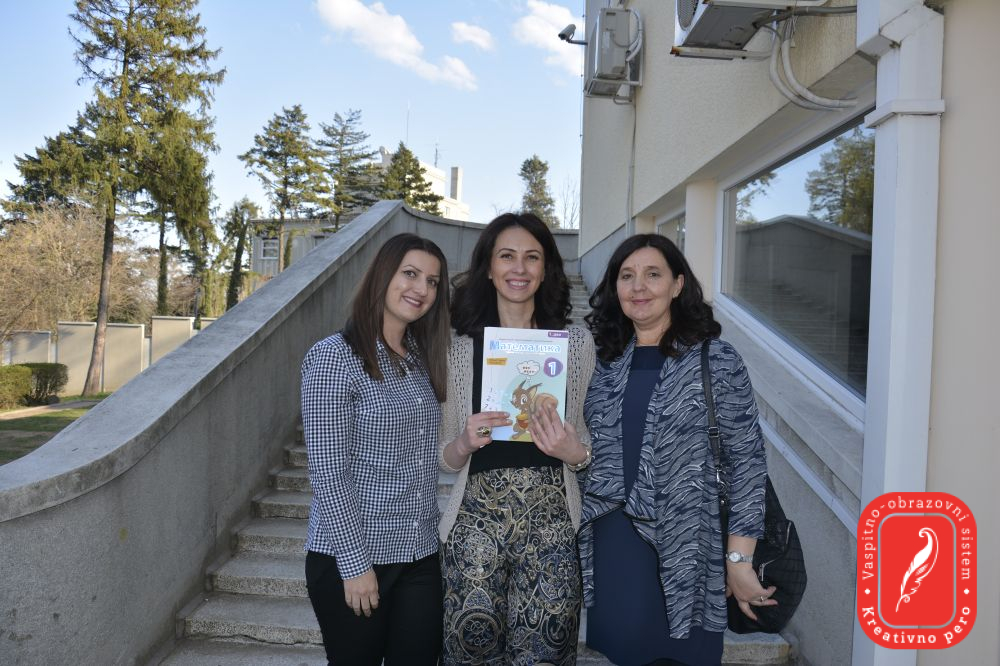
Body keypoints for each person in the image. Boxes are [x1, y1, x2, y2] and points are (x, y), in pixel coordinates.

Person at [577, 234, 774, 666]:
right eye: (627, 276)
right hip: (616, 540)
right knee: (626, 654)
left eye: (653, 274)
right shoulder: (603, 363)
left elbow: (748, 464)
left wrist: (739, 560)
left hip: (690, 544)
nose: (638, 286)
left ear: (677, 284)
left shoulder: (716, 359)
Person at [438, 212, 596, 666]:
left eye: (532, 257)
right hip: (475, 528)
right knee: (472, 649)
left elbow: (584, 444)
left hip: (552, 527)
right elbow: (446, 457)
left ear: (545, 270)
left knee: (545, 651)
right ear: (489, 267)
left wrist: (575, 454)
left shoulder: (575, 345)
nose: (519, 268)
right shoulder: (458, 350)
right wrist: (464, 442)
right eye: (507, 256)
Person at [301, 233, 450, 666]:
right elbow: (330, 473)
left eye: (432, 281)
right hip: (356, 555)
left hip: (419, 550)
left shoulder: (420, 355)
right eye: (410, 274)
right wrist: (355, 565)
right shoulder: (333, 358)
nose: (421, 289)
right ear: (382, 276)